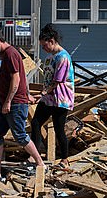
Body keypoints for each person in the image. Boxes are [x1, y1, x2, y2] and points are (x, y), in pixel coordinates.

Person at [0, 29, 44, 180]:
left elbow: (16, 79)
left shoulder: (11, 54)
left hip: (14, 104)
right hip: (5, 102)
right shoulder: (7, 55)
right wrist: (26, 95)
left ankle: (40, 163)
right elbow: (22, 79)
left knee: (20, 135)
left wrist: (9, 101)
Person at [31, 23, 75, 170]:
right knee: (36, 122)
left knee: (58, 128)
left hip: (60, 98)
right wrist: (43, 93)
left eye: (44, 45)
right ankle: (34, 154)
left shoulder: (63, 57)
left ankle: (64, 159)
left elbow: (57, 80)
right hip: (48, 97)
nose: (43, 48)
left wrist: (43, 93)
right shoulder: (50, 57)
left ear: (51, 41)